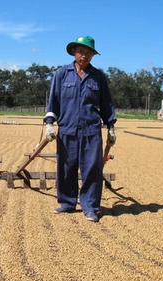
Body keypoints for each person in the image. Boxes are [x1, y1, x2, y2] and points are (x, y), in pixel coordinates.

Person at [44, 36, 116, 222]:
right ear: (74, 52)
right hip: (67, 129)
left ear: (93, 55)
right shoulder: (62, 74)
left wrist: (110, 127)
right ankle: (67, 203)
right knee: (66, 167)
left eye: (88, 52)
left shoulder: (98, 77)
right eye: (81, 52)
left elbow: (106, 103)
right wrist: (50, 123)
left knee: (92, 169)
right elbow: (54, 101)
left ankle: (90, 207)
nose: (84, 56)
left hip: (91, 131)